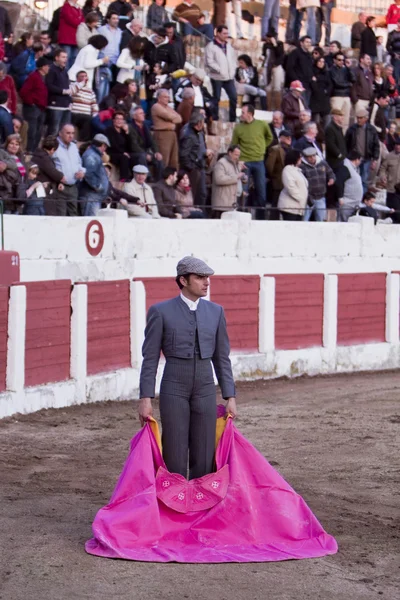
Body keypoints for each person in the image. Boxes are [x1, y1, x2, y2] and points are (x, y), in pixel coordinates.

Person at [139, 255, 237, 479]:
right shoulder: (161, 311)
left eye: (207, 277)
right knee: (174, 450)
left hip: (205, 386)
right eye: (200, 277)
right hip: (174, 385)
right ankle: (175, 507)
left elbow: (222, 357)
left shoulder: (215, 312)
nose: (206, 282)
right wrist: (145, 398)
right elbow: (150, 358)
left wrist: (230, 395)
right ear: (183, 280)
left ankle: (200, 507)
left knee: (204, 452)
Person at [231, 104, 272, 220]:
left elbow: (269, 138)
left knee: (261, 190)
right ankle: (242, 216)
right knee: (243, 191)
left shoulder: (262, 124)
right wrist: (238, 160)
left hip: (259, 161)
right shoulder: (238, 128)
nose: (241, 115)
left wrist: (262, 147)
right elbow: (234, 145)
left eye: (243, 112)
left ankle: (260, 218)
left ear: (250, 114)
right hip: (245, 162)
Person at [179, 112, 213, 207]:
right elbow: (183, 155)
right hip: (193, 169)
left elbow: (199, 148)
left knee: (202, 194)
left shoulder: (200, 132)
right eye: (202, 122)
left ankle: (200, 214)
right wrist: (192, 168)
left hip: (200, 167)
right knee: (194, 194)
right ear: (199, 123)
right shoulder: (188, 135)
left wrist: (205, 154)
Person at [204, 25, 237, 123]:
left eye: (227, 33)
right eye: (224, 33)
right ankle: (214, 118)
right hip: (217, 77)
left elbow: (233, 59)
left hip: (229, 77)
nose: (226, 35)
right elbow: (209, 62)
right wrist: (219, 70)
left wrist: (233, 69)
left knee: (234, 97)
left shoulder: (229, 46)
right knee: (216, 98)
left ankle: (232, 119)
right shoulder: (210, 46)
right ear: (217, 33)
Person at [52, 123, 86, 216]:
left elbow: (79, 163)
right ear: (60, 133)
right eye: (68, 133)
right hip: (59, 187)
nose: (71, 136)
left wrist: (82, 172)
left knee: (73, 215)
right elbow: (49, 165)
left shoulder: (74, 147)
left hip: (73, 187)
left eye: (73, 133)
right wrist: (56, 179)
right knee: (60, 216)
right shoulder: (54, 146)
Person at [19, 57, 51, 153]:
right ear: (42, 67)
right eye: (47, 66)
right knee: (31, 131)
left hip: (41, 108)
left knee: (39, 131)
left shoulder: (44, 78)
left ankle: (34, 150)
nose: (49, 68)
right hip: (32, 108)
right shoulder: (33, 77)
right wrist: (31, 102)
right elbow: (24, 91)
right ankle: (28, 150)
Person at [345, 108, 380, 193]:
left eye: (361, 118)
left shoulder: (371, 129)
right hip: (353, 159)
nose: (359, 120)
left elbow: (376, 145)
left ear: (366, 118)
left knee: (364, 180)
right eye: (358, 118)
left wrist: (375, 159)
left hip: (366, 158)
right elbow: (346, 143)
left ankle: (362, 198)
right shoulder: (352, 129)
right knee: (352, 179)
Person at [300, 146, 335, 222]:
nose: (312, 158)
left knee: (321, 220)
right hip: (308, 199)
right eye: (309, 157)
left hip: (321, 197)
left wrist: (331, 179)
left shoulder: (322, 163)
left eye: (313, 156)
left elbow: (331, 173)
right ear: (305, 158)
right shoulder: (302, 167)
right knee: (304, 220)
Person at [32, 135, 66, 214]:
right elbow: (52, 172)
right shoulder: (44, 158)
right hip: (44, 192)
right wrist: (61, 177)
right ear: (52, 149)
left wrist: (59, 182)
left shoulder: (37, 155)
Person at [129, 105, 163, 181]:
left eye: (143, 113)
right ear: (134, 116)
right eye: (140, 113)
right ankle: (148, 176)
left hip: (144, 152)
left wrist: (156, 152)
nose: (143, 115)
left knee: (159, 158)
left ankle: (159, 179)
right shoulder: (130, 127)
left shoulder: (145, 126)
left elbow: (152, 141)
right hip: (134, 153)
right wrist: (145, 153)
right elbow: (134, 145)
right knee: (142, 156)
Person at [80, 133, 110, 216]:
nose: (105, 150)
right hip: (91, 197)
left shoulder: (94, 155)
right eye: (105, 147)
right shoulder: (91, 155)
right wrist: (99, 187)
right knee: (91, 223)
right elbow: (89, 175)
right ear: (103, 145)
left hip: (93, 197)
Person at [151, 88, 182, 169]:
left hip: (172, 134)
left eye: (168, 97)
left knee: (174, 158)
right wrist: (172, 119)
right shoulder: (156, 106)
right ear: (159, 98)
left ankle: (172, 177)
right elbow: (168, 116)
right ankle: (161, 177)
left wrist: (172, 118)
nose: (167, 99)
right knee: (164, 158)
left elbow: (179, 119)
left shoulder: (168, 107)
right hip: (162, 134)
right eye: (165, 97)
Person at [211, 144, 245, 217]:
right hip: (222, 204)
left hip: (232, 203)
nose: (237, 157)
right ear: (230, 153)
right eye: (236, 155)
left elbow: (235, 178)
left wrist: (243, 177)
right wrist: (236, 177)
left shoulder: (235, 164)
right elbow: (219, 179)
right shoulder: (221, 163)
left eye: (239, 155)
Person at [46, 49, 74, 136]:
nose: (65, 59)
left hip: (66, 105)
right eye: (63, 57)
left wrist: (70, 100)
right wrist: (63, 91)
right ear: (56, 58)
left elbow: (66, 86)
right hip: (55, 105)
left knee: (64, 131)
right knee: (54, 130)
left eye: (66, 57)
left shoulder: (65, 71)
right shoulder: (51, 70)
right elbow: (49, 85)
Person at [278, 149, 308, 221]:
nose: (301, 159)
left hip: (298, 207)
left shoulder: (297, 170)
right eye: (299, 157)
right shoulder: (287, 169)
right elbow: (291, 187)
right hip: (290, 207)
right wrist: (301, 198)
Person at [329, 51, 356, 132]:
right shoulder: (331, 70)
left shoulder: (346, 69)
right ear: (334, 60)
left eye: (342, 60)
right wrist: (348, 84)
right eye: (339, 60)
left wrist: (349, 68)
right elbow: (337, 83)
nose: (341, 62)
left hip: (346, 96)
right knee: (336, 118)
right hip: (336, 96)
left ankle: (344, 138)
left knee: (345, 120)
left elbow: (353, 79)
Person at [70, 70, 99, 141]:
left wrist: (95, 115)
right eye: (82, 76)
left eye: (85, 76)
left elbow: (94, 104)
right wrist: (81, 84)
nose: (84, 78)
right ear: (77, 78)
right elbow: (71, 92)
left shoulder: (90, 91)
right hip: (74, 113)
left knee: (91, 120)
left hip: (86, 114)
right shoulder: (73, 86)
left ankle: (83, 142)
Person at [106, 111, 135, 180]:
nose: (119, 121)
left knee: (136, 156)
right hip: (112, 153)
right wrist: (123, 152)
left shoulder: (123, 131)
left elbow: (130, 146)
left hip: (123, 153)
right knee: (124, 158)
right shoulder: (109, 130)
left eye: (121, 119)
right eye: (117, 119)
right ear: (113, 120)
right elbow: (112, 144)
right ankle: (123, 179)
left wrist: (127, 132)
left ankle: (134, 178)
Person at [335, 150, 363, 221]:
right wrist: (340, 197)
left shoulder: (353, 168)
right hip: (347, 203)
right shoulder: (345, 167)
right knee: (344, 223)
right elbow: (339, 182)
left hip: (353, 203)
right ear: (356, 160)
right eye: (360, 160)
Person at [284, 35, 313, 104]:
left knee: (305, 106)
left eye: (310, 42)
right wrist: (296, 80)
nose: (309, 44)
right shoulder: (295, 53)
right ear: (301, 43)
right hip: (297, 85)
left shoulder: (309, 55)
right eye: (307, 42)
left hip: (307, 85)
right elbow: (289, 68)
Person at [378, 135, 400, 221]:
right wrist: (383, 176)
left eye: (399, 145)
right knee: (391, 212)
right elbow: (382, 168)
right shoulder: (389, 156)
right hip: (391, 189)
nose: (398, 146)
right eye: (396, 144)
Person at [58, 0, 84, 69]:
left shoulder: (78, 8)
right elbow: (72, 20)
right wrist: (79, 20)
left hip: (75, 39)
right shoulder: (66, 7)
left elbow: (82, 20)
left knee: (74, 59)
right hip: (66, 39)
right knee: (66, 59)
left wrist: (79, 20)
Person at [309, 55, 332, 132]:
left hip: (325, 100)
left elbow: (330, 85)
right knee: (316, 122)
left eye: (323, 62)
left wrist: (325, 91)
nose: (321, 63)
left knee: (327, 121)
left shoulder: (326, 73)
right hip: (316, 101)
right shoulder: (312, 72)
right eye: (319, 61)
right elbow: (313, 85)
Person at [98, 11, 122, 77]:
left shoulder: (120, 32)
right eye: (113, 18)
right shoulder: (101, 30)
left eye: (117, 19)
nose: (116, 20)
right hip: (105, 61)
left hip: (116, 61)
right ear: (108, 19)